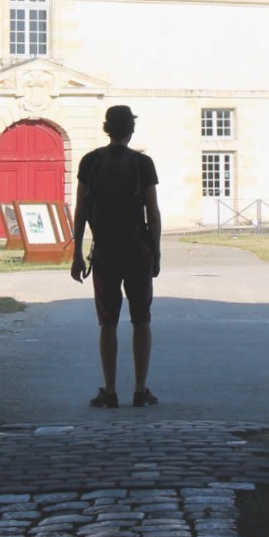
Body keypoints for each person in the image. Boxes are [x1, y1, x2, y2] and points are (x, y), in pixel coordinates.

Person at [70, 105, 162, 408]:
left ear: (106, 128)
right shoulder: (143, 163)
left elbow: (81, 212)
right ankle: (139, 389)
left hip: (105, 250)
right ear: (131, 130)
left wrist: (77, 254)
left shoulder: (90, 162)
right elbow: (153, 211)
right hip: (137, 249)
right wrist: (157, 251)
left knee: (107, 322)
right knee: (141, 319)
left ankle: (109, 391)